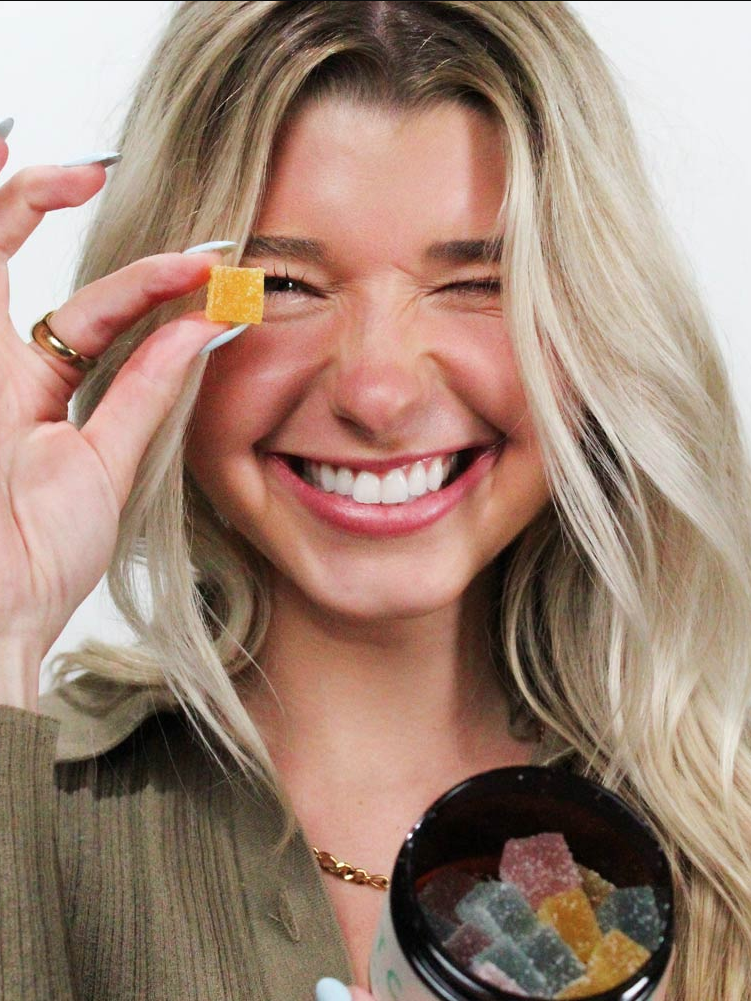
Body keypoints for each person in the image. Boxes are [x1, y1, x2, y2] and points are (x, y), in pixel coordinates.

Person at [0, 2, 748, 999]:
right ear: (159, 316)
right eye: (278, 285)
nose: (379, 393)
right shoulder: (33, 794)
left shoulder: (727, 854)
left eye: (481, 280)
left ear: (600, 323)